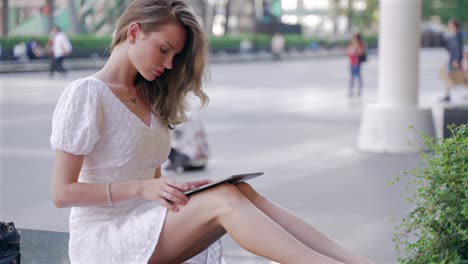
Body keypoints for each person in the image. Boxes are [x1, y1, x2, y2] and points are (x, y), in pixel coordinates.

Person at [50, 1, 373, 263]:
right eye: (164, 49)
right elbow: (62, 194)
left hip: (149, 221)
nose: (170, 63)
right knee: (224, 200)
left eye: (175, 55)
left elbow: (154, 180)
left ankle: (353, 261)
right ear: (134, 32)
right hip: (104, 239)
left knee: (239, 191)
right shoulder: (88, 93)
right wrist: (141, 188)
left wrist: (177, 190)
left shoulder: (152, 95)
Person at [440, 19, 464, 102]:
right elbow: (448, 47)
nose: (449, 27)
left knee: (462, 77)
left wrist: (456, 60)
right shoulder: (453, 35)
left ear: (455, 26)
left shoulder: (457, 36)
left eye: (450, 25)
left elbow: (458, 49)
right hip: (452, 59)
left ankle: (447, 95)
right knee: (449, 77)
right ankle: (447, 95)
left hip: (455, 60)